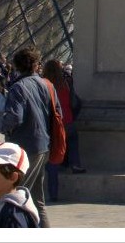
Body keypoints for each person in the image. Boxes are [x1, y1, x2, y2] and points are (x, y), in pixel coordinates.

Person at [0, 47, 60, 227]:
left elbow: (15, 117)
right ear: (36, 65)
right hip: (44, 145)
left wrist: (3, 126)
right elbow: (58, 112)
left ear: (16, 66)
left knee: (16, 196)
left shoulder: (18, 87)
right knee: (36, 198)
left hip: (24, 147)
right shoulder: (47, 84)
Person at [41, 59, 84, 202]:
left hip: (54, 123)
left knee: (53, 157)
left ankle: (53, 193)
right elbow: (76, 102)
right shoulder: (66, 82)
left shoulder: (45, 85)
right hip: (68, 119)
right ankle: (75, 164)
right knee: (72, 143)